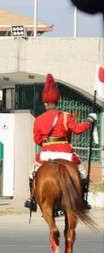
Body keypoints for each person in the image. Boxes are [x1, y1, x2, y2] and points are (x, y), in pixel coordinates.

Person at [25, 73, 96, 212]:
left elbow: (37, 139)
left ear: (45, 102)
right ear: (58, 101)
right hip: (66, 153)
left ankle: (32, 199)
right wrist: (89, 120)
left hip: (46, 153)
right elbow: (77, 130)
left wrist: (46, 144)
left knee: (32, 173)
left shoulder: (39, 119)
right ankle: (83, 200)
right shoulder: (65, 116)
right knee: (82, 173)